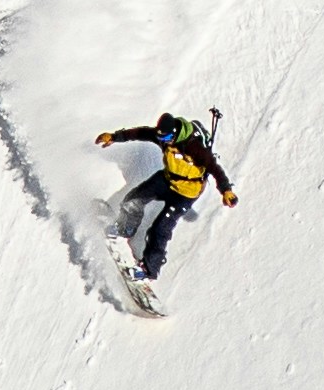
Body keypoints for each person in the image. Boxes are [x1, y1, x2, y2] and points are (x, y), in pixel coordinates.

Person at [94, 112, 236, 295]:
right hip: (168, 180)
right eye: (162, 138)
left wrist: (226, 190)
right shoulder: (162, 136)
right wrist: (114, 137)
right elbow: (141, 133)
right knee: (134, 199)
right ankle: (125, 229)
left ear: (176, 133)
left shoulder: (194, 147)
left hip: (186, 192)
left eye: (168, 138)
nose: (165, 141)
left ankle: (149, 270)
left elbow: (215, 169)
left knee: (161, 228)